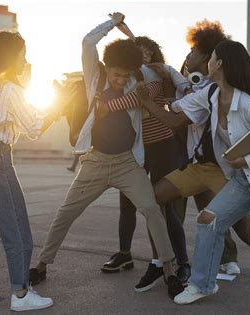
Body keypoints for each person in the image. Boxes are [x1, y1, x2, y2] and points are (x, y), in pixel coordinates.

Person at [139, 39, 250, 314]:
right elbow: (178, 108)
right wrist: (156, 97)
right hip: (243, 180)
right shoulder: (211, 94)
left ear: (219, 63)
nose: (208, 60)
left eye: (213, 56)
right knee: (208, 220)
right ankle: (203, 284)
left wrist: (249, 158)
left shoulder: (249, 104)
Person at [29, 13, 184, 299]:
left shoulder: (138, 80)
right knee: (65, 214)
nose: (120, 79)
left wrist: (135, 41)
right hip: (96, 162)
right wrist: (113, 24)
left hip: (127, 163)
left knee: (152, 210)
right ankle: (40, 265)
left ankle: (170, 272)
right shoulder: (95, 76)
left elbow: (158, 68)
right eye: (117, 73)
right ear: (107, 67)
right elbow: (88, 42)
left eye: (126, 75)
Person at [113, 20, 250, 276]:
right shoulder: (188, 78)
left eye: (193, 50)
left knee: (228, 216)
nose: (188, 54)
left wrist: (150, 102)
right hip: (188, 160)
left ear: (208, 57)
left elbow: (175, 117)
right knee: (159, 201)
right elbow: (168, 92)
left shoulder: (213, 86)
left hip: (213, 164)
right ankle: (168, 263)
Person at [0, 30, 76, 312]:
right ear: (12, 58)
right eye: (23, 55)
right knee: (18, 231)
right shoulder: (10, 90)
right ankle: (21, 294)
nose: (26, 61)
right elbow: (34, 128)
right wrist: (62, 104)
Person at [100, 35, 193, 290]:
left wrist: (106, 106)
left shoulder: (154, 77)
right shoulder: (129, 78)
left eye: (147, 53)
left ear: (153, 56)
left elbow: (135, 101)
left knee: (164, 208)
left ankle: (181, 262)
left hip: (163, 147)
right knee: (127, 204)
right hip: (137, 149)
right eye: (137, 53)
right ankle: (124, 254)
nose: (142, 57)